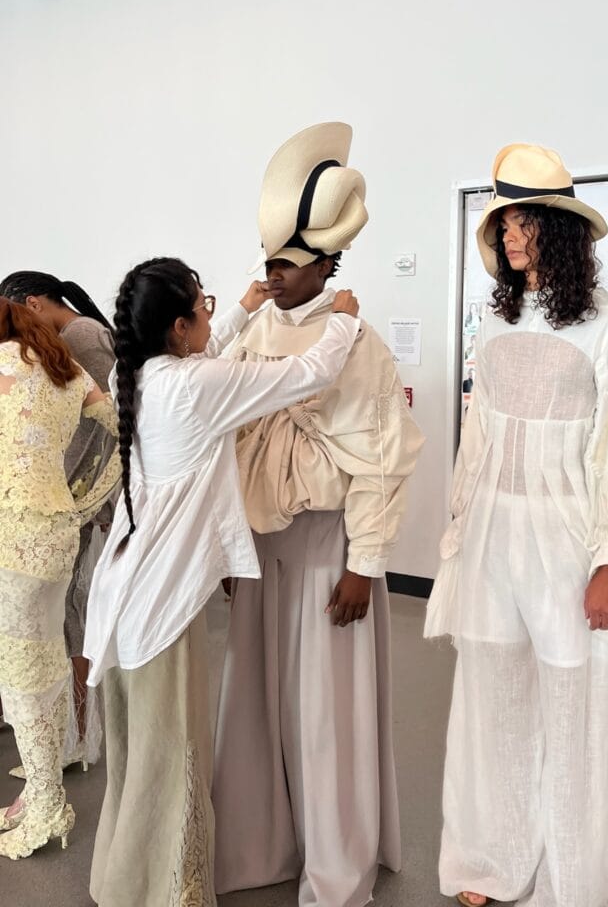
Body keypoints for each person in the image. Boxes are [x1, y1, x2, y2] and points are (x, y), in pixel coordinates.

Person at [424, 143, 608, 907]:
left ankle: (572, 876)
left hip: (567, 541)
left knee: (575, 708)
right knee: (492, 701)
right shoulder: (495, 320)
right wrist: (459, 530)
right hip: (493, 535)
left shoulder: (606, 325)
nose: (508, 235)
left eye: (522, 221)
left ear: (557, 229)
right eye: (502, 223)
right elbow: (480, 429)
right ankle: (489, 861)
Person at [84, 256, 361, 907]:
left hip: (123, 592)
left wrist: (242, 308)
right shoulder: (196, 386)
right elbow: (306, 374)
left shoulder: (134, 372)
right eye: (202, 306)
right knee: (171, 759)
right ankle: (165, 892)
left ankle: (119, 880)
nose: (212, 314)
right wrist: (344, 322)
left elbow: (208, 358)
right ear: (179, 328)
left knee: (135, 756)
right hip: (163, 605)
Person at [213, 123, 423, 907]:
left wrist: (365, 564)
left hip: (327, 545)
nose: (273, 275)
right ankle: (258, 847)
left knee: (326, 710)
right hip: (259, 544)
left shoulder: (359, 343)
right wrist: (230, 548)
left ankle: (335, 863)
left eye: (288, 264)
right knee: (255, 701)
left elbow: (379, 459)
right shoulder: (252, 333)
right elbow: (225, 443)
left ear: (328, 264)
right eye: (268, 262)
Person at [0, 297, 119, 859]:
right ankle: (41, 793)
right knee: (44, 663)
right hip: (54, 533)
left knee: (19, 676)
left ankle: (47, 802)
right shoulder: (64, 370)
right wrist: (83, 502)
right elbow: (122, 432)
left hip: (11, 537)